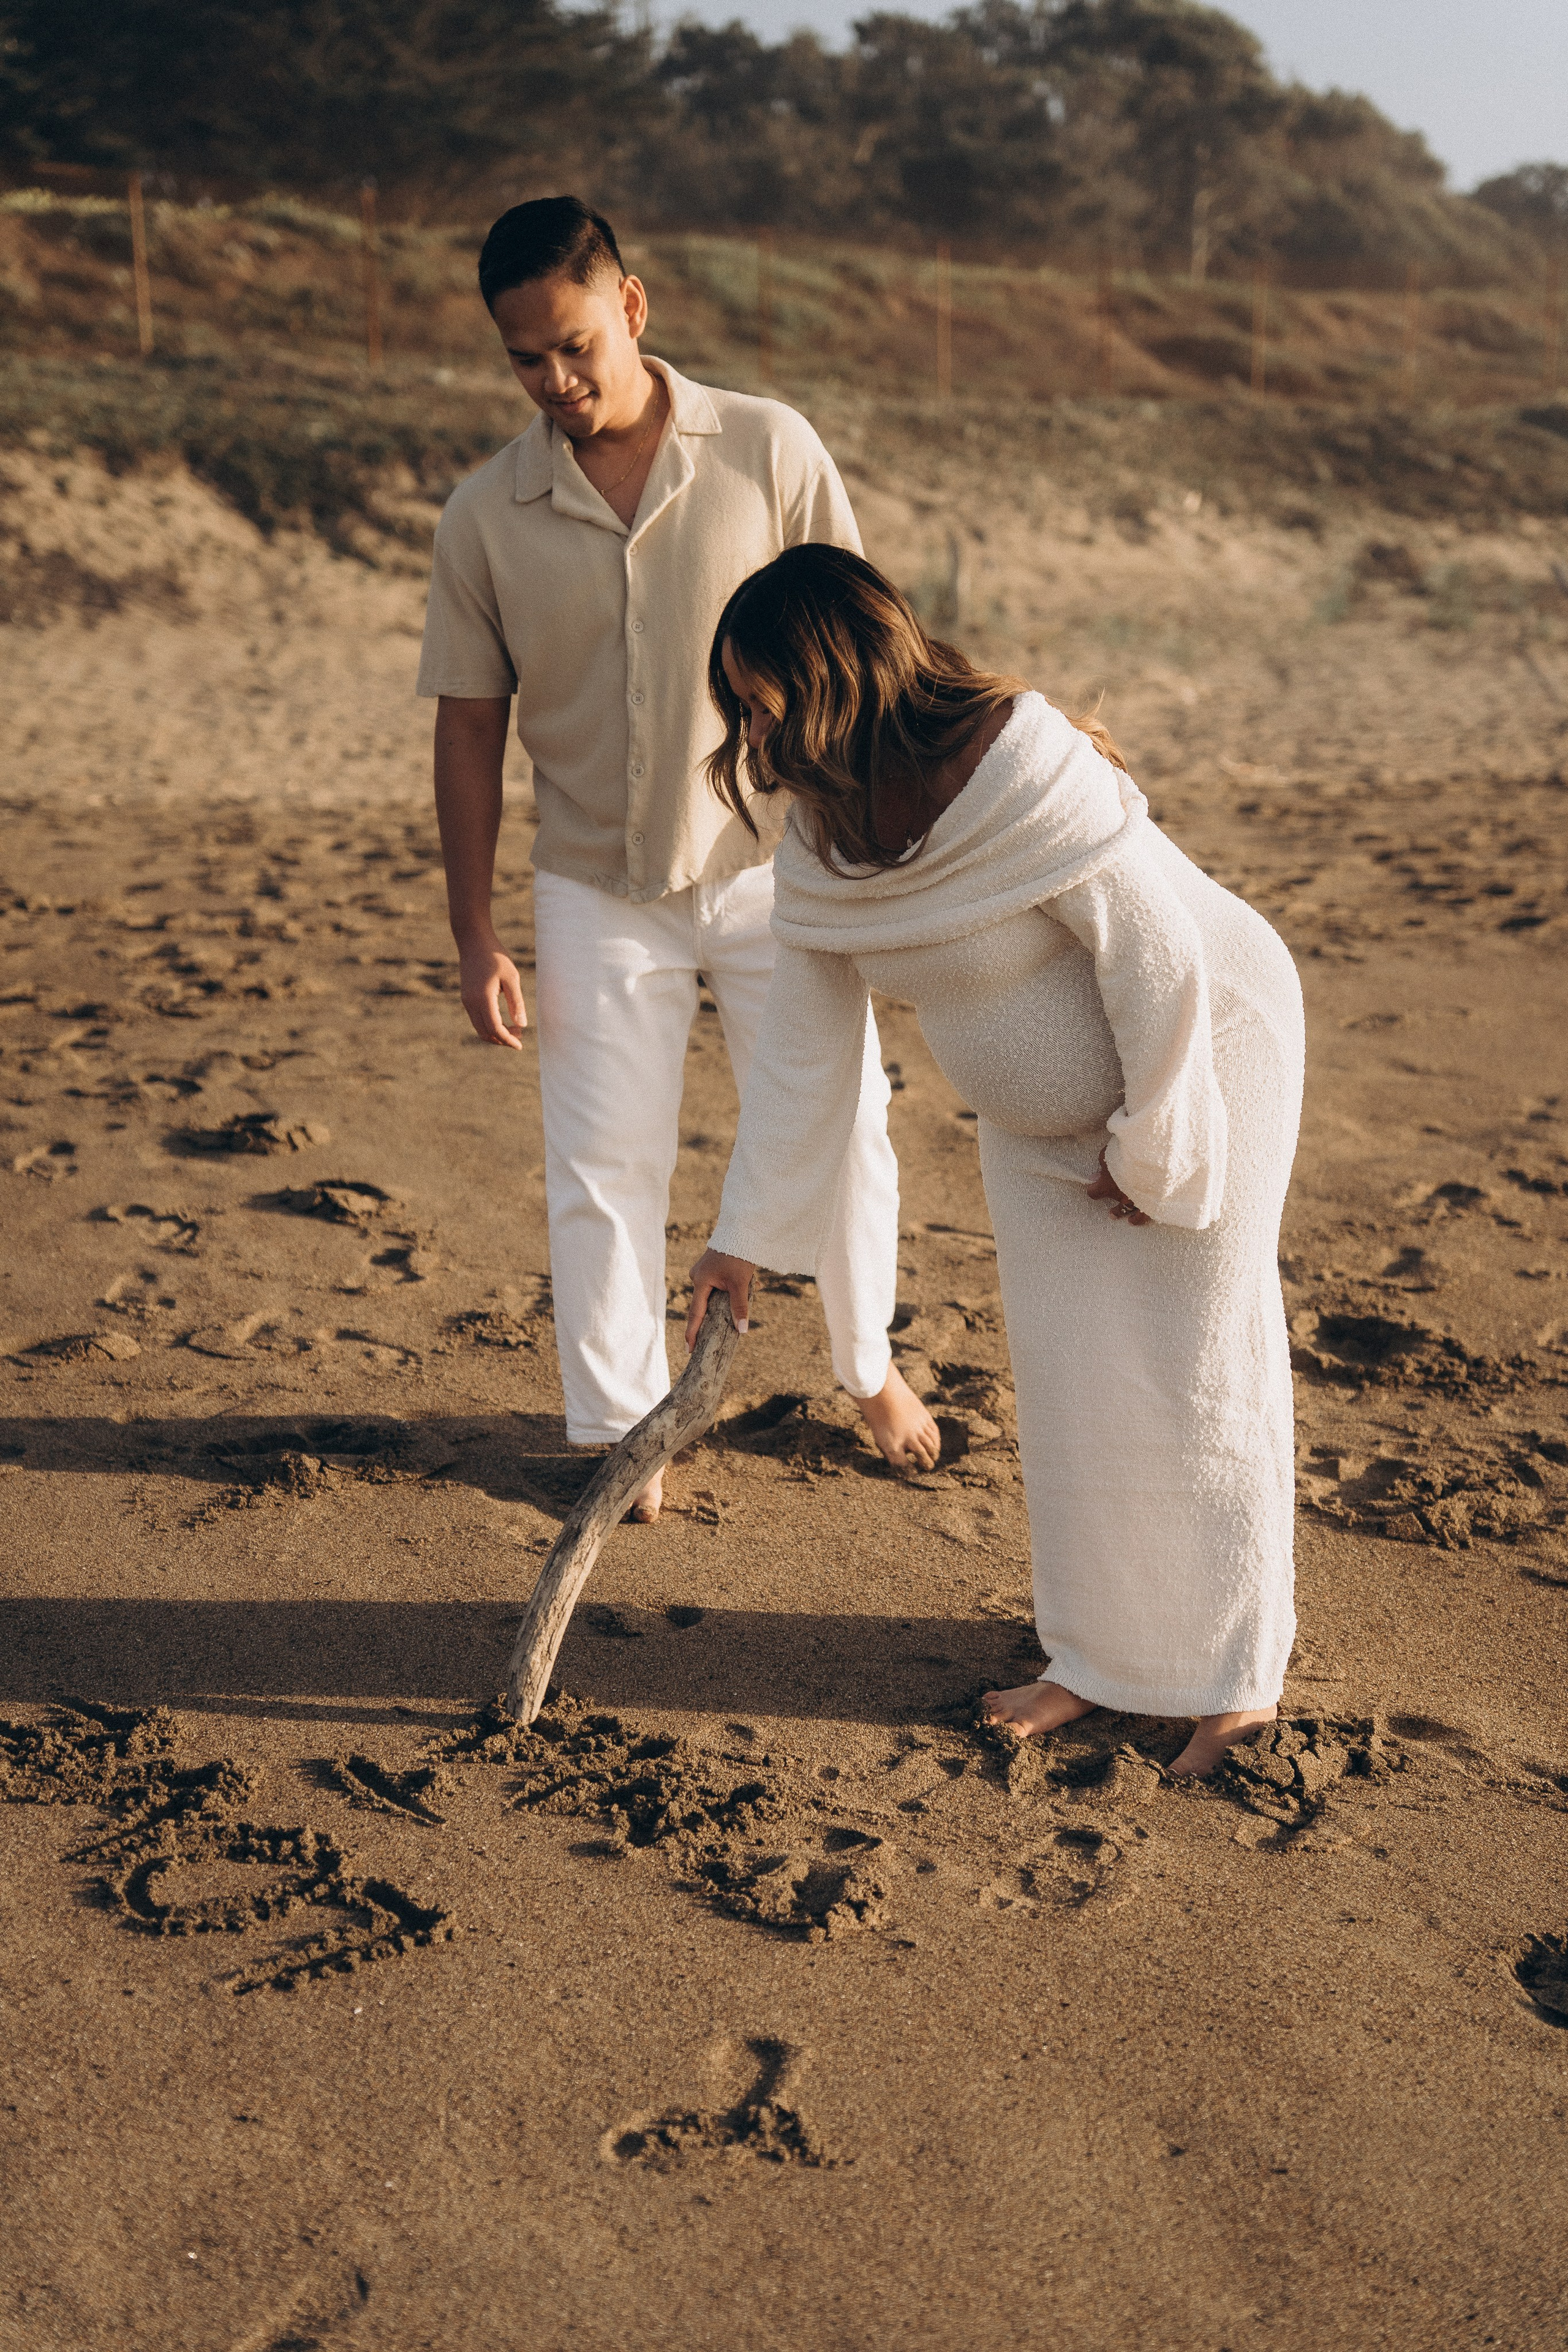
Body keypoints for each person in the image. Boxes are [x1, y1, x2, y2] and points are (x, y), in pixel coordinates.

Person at [687, 545, 1305, 1779]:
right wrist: (738, 1241)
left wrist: (1151, 1142)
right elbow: (805, 1066)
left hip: (1198, 1055)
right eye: (738, 706)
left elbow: (1156, 956)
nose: (749, 737)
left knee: (1194, 1364)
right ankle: (1097, 1660)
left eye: (760, 702)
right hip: (1034, 1128)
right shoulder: (821, 842)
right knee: (1078, 1382)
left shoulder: (1015, 759)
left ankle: (1233, 1682)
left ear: (829, 678)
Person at [418, 196, 937, 1518]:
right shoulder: (485, 512)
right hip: (595, 882)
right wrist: (475, 935)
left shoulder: (770, 448)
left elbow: (867, 656)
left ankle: (865, 1363)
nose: (555, 381)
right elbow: (470, 732)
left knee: (850, 1127)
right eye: (524, 360)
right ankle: (616, 1424)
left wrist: (891, 858)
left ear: (632, 307)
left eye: (576, 346)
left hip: (787, 867)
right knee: (604, 1161)